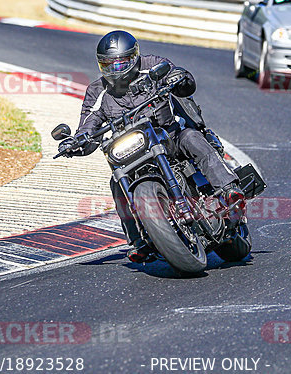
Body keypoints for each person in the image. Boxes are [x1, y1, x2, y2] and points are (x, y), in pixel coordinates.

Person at [61, 30, 244, 263]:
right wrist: (76, 142)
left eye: (121, 63)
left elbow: (185, 82)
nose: (115, 70)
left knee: (190, 137)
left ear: (134, 57)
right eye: (109, 65)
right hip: (133, 151)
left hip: (170, 138)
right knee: (116, 180)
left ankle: (228, 189)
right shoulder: (98, 91)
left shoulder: (154, 65)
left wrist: (179, 78)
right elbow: (88, 124)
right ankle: (139, 239)